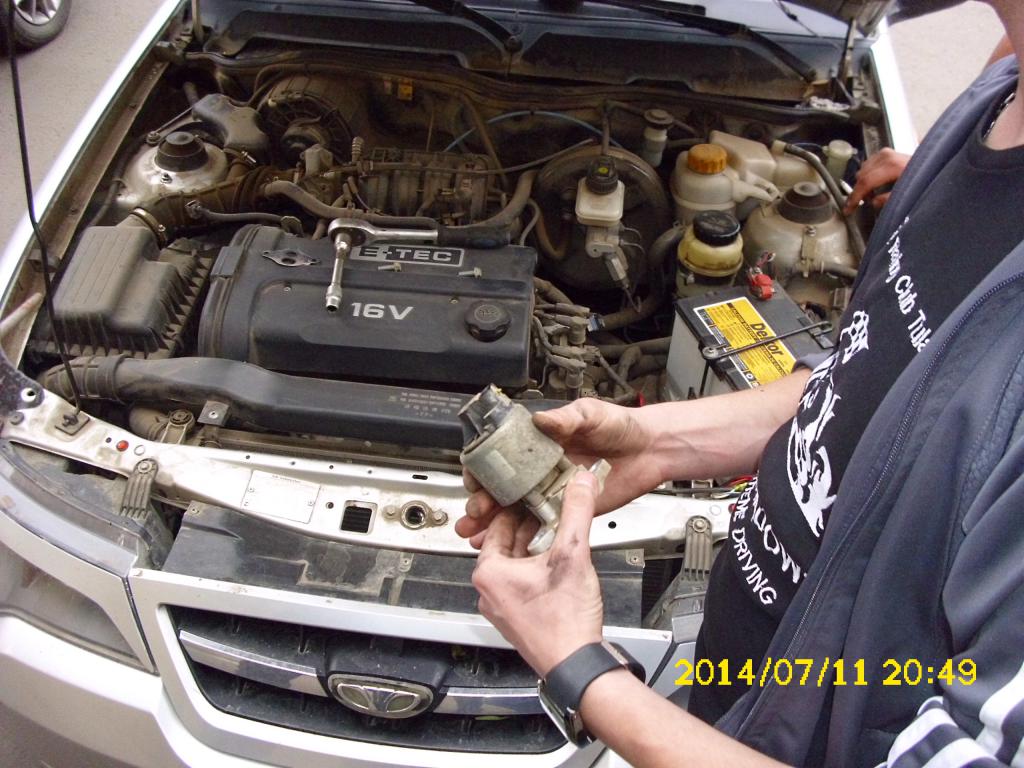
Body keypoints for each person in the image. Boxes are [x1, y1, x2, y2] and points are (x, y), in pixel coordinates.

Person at [458, 0, 1024, 763]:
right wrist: (657, 440)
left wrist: (584, 673)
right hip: (740, 681)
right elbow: (869, 382)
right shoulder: (990, 109)